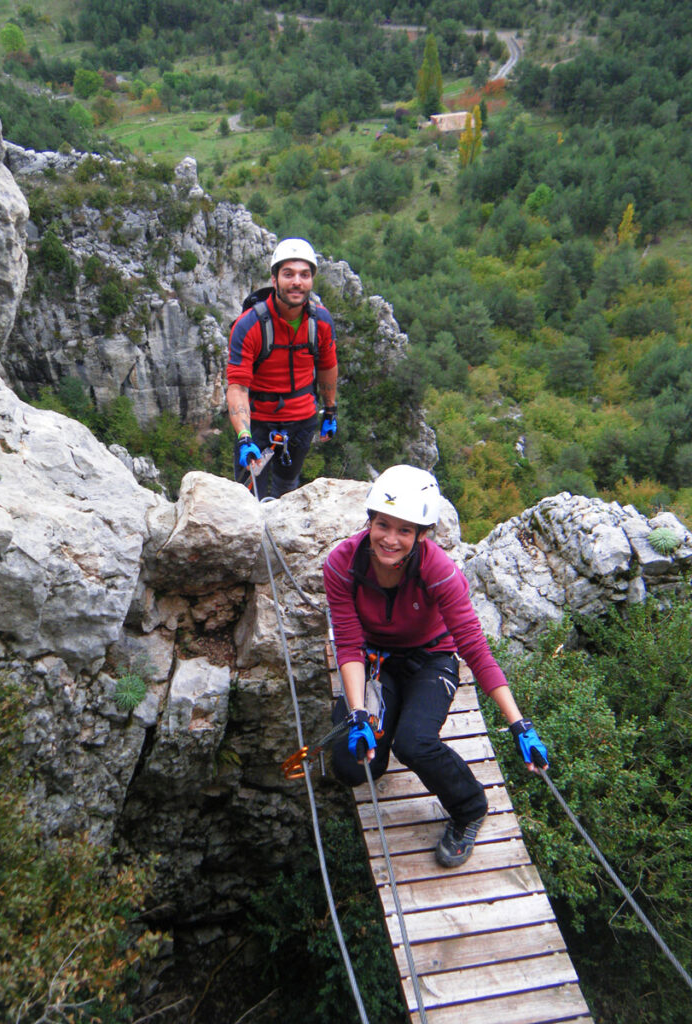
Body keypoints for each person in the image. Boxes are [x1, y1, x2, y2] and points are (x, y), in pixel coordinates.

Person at [323, 464, 549, 868]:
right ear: (369, 522)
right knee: (352, 768)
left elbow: (475, 649)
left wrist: (519, 724)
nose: (390, 539)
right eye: (383, 525)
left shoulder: (438, 570)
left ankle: (470, 808)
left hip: (432, 659)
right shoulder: (342, 564)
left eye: (405, 530)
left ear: (422, 535)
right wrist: (358, 713)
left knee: (415, 743)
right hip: (378, 661)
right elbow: (348, 641)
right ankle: (377, 724)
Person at [226, 238, 338, 498]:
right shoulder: (249, 325)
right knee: (248, 496)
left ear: (311, 281)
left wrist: (330, 410)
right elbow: (238, 386)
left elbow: (327, 365)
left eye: (304, 275)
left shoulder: (320, 322)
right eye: (288, 274)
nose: (297, 281)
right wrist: (244, 436)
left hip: (301, 420)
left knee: (287, 488)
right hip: (258, 423)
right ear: (274, 280)